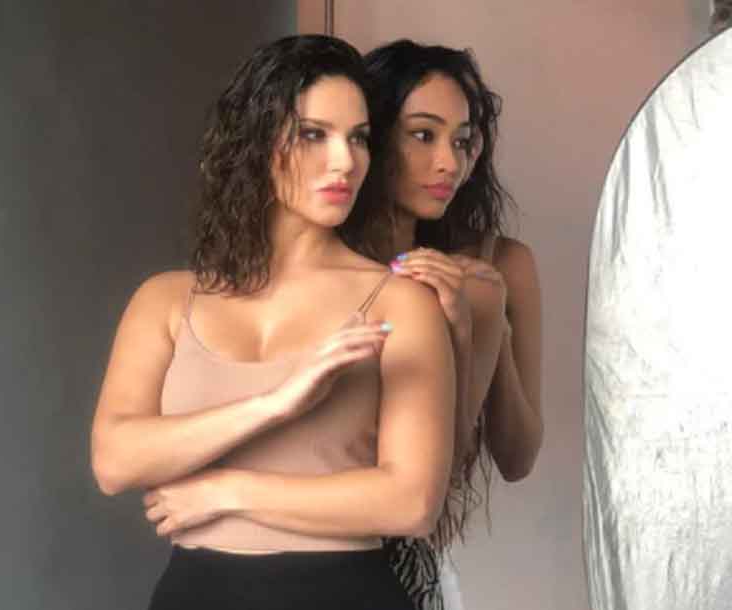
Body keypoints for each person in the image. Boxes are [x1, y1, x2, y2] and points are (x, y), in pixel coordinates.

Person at [90, 35, 457, 610]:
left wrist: (229, 490)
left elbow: (411, 503)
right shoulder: (166, 300)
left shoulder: (400, 303)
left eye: (358, 137)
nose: (345, 161)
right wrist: (275, 404)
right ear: (256, 142)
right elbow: (114, 461)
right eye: (314, 134)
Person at [357, 40, 544, 609]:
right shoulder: (328, 263)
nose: (449, 164)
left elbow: (516, 458)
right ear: (372, 134)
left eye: (462, 142)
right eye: (423, 135)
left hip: (414, 561)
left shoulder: (498, 263)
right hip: (315, 548)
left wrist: (485, 323)